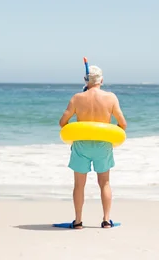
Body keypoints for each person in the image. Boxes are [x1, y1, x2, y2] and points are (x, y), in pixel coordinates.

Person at [59, 65, 127, 229]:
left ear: (85, 80)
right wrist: (109, 132)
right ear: (101, 80)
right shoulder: (110, 98)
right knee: (104, 183)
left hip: (81, 144)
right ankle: (106, 220)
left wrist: (78, 128)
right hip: (103, 144)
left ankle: (77, 221)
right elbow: (123, 124)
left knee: (79, 184)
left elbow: (62, 123)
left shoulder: (77, 98)